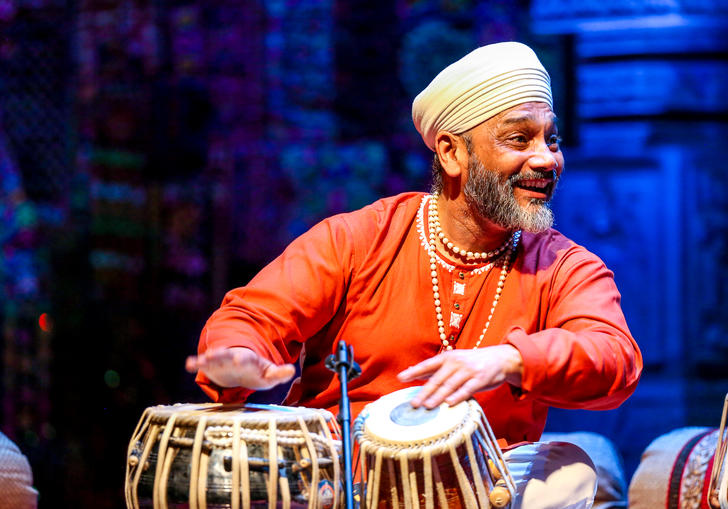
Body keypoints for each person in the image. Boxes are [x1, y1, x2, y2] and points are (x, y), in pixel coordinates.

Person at [186, 41, 642, 508]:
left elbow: (613, 356)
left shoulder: (563, 265)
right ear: (451, 153)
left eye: (552, 139)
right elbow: (254, 316)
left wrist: (509, 360)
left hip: (482, 490)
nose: (547, 158)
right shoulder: (359, 239)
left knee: (570, 470)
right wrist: (238, 356)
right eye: (520, 139)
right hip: (344, 483)